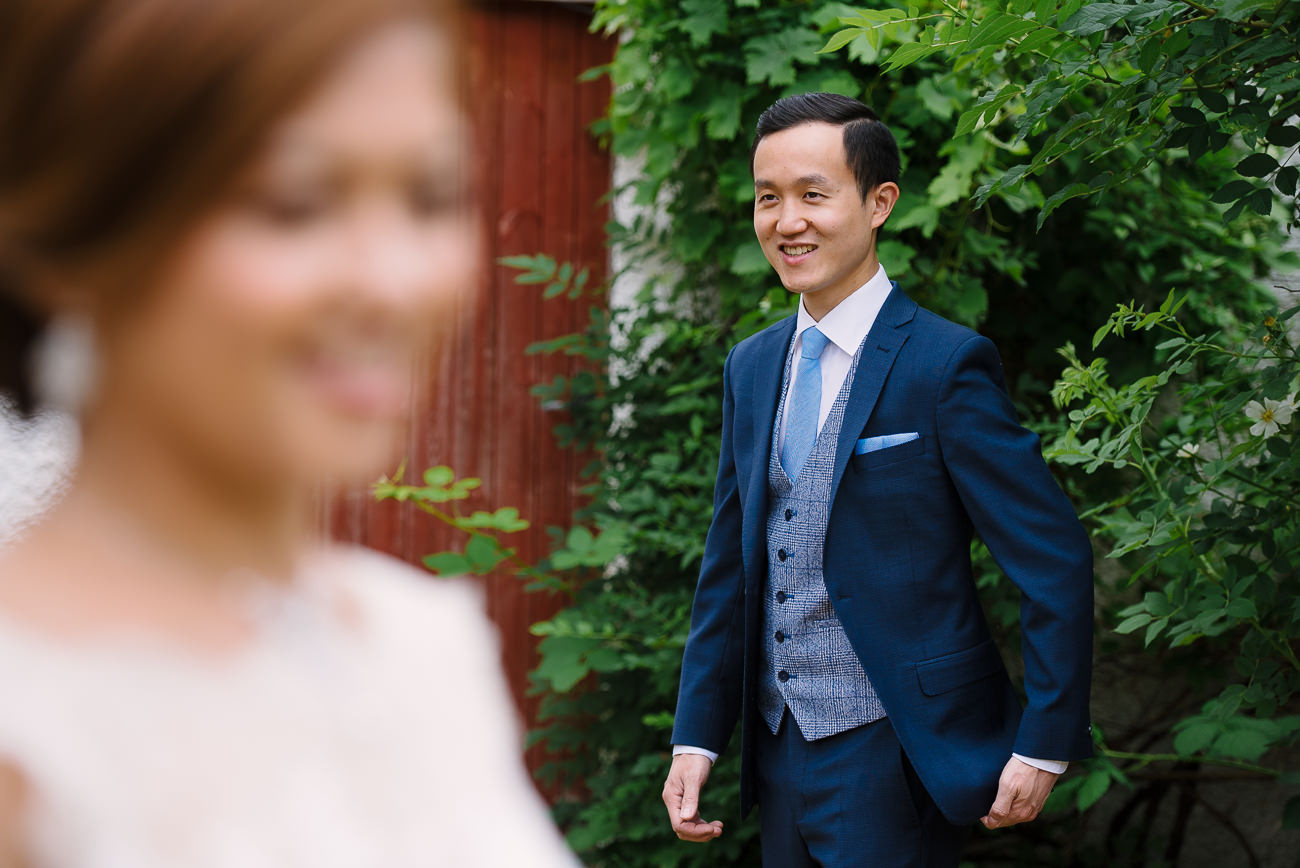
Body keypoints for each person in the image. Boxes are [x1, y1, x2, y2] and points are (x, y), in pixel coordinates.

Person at [0, 1, 576, 865]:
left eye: (431, 197)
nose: (392, 280)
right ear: (84, 232)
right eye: (294, 203)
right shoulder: (26, 732)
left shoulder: (419, 642)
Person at [662, 92, 1094, 867]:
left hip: (895, 752)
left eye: (813, 195)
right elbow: (730, 565)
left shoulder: (944, 364)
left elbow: (1052, 560)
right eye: (769, 198)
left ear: (879, 202)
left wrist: (1046, 743)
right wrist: (697, 735)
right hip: (776, 750)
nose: (787, 220)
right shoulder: (753, 366)